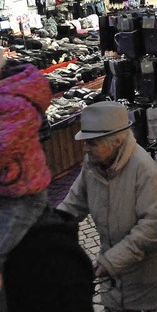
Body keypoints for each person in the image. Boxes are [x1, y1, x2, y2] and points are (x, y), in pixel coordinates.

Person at [58, 102, 157, 312]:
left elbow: (152, 228)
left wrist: (109, 263)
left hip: (153, 287)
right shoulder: (93, 165)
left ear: (116, 141)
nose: (85, 148)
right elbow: (73, 203)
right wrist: (48, 229)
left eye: (91, 142)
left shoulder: (145, 171)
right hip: (118, 283)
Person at [0, 54, 94, 312]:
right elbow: (76, 199)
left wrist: (113, 260)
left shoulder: (48, 259)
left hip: (23, 193)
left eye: (92, 142)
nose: (86, 146)